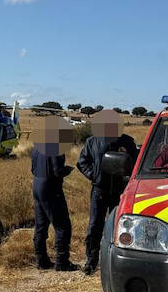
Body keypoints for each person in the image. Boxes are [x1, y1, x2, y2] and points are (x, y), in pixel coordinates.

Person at [76, 110, 139, 275]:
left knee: (119, 227)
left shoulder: (127, 142)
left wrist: (128, 180)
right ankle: (91, 260)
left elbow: (136, 164)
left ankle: (115, 262)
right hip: (100, 191)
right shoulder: (92, 142)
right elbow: (82, 162)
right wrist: (94, 176)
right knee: (94, 226)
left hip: (120, 192)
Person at [31, 117, 77, 271]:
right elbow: (57, 171)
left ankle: (41, 260)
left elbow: (32, 169)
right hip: (50, 187)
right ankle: (62, 262)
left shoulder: (37, 147)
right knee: (63, 225)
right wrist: (67, 170)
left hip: (36, 185)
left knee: (40, 225)